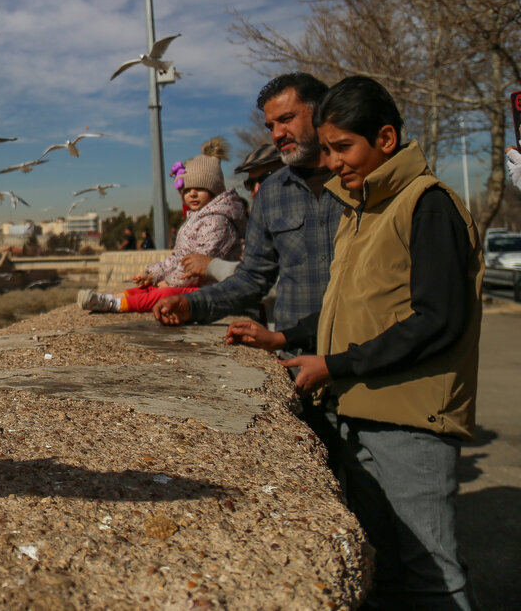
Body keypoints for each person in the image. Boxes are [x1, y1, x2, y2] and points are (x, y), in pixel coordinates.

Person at [226, 76, 480, 610]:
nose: (335, 161)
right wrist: (282, 336)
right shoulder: (364, 207)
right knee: (380, 567)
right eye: (331, 147)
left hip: (409, 421)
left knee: (432, 574)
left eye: (344, 147)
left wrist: (337, 363)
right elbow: (345, 310)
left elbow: (438, 320)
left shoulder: (426, 204)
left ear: (385, 139)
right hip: (362, 407)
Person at [153, 73, 345, 355]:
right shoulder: (272, 193)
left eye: (287, 119)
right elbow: (252, 279)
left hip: (364, 361)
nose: (277, 134)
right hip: (296, 359)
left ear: (321, 114)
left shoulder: (360, 183)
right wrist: (191, 305)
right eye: (271, 126)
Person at [78, 138, 245, 313]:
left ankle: (115, 305)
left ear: (215, 190)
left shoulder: (218, 222)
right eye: (187, 190)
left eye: (200, 188)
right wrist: (153, 274)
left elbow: (198, 267)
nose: (192, 194)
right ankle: (109, 298)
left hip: (213, 289)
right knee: (149, 288)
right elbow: (178, 258)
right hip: (192, 282)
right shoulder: (196, 219)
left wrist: (170, 281)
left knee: (165, 294)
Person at [181, 142, 284, 285]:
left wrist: (211, 266)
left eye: (267, 178)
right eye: (250, 183)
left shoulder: (218, 222)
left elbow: (274, 280)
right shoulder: (260, 225)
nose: (256, 189)